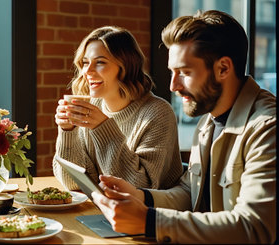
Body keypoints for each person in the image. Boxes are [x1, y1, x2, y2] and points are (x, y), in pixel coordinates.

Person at [91, 10, 276, 244]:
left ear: (223, 69)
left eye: (184, 72)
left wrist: (150, 221)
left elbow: (255, 228)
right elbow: (191, 193)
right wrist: (140, 196)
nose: (173, 85)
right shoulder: (208, 121)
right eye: (172, 72)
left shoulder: (267, 128)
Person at [53, 26, 183, 190]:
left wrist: (104, 128)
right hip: (103, 210)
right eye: (85, 62)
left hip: (150, 214)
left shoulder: (158, 113)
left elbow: (141, 187)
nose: (88, 71)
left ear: (126, 67)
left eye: (100, 62)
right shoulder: (92, 108)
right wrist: (67, 131)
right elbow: (74, 183)